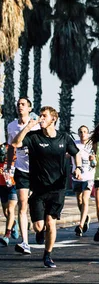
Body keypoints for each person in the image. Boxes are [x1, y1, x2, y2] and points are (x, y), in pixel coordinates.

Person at [11, 106, 82, 268]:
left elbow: (75, 153)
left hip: (57, 188)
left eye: (44, 116)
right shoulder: (33, 137)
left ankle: (47, 255)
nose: (41, 118)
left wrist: (78, 167)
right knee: (38, 226)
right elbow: (15, 143)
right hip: (38, 189)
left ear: (53, 119)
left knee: (51, 222)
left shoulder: (64, 138)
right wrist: (28, 126)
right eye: (40, 115)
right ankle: (40, 231)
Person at [7, 97, 40, 255]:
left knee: (38, 203)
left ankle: (40, 228)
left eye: (23, 104)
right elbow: (10, 147)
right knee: (22, 204)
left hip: (38, 170)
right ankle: (25, 241)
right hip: (21, 170)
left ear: (29, 108)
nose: (20, 107)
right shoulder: (11, 126)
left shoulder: (37, 125)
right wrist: (8, 166)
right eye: (18, 104)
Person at [72, 125, 95, 237]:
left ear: (88, 133)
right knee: (79, 201)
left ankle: (80, 226)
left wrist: (93, 160)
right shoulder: (74, 144)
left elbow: (95, 162)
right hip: (76, 176)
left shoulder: (92, 145)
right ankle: (85, 217)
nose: (83, 134)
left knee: (85, 199)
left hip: (89, 176)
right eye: (80, 132)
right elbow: (68, 154)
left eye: (85, 132)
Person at [0, 143, 17, 247]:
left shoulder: (16, 149)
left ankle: (7, 235)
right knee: (6, 212)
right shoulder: (2, 146)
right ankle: (14, 223)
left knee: (11, 210)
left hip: (13, 186)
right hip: (2, 185)